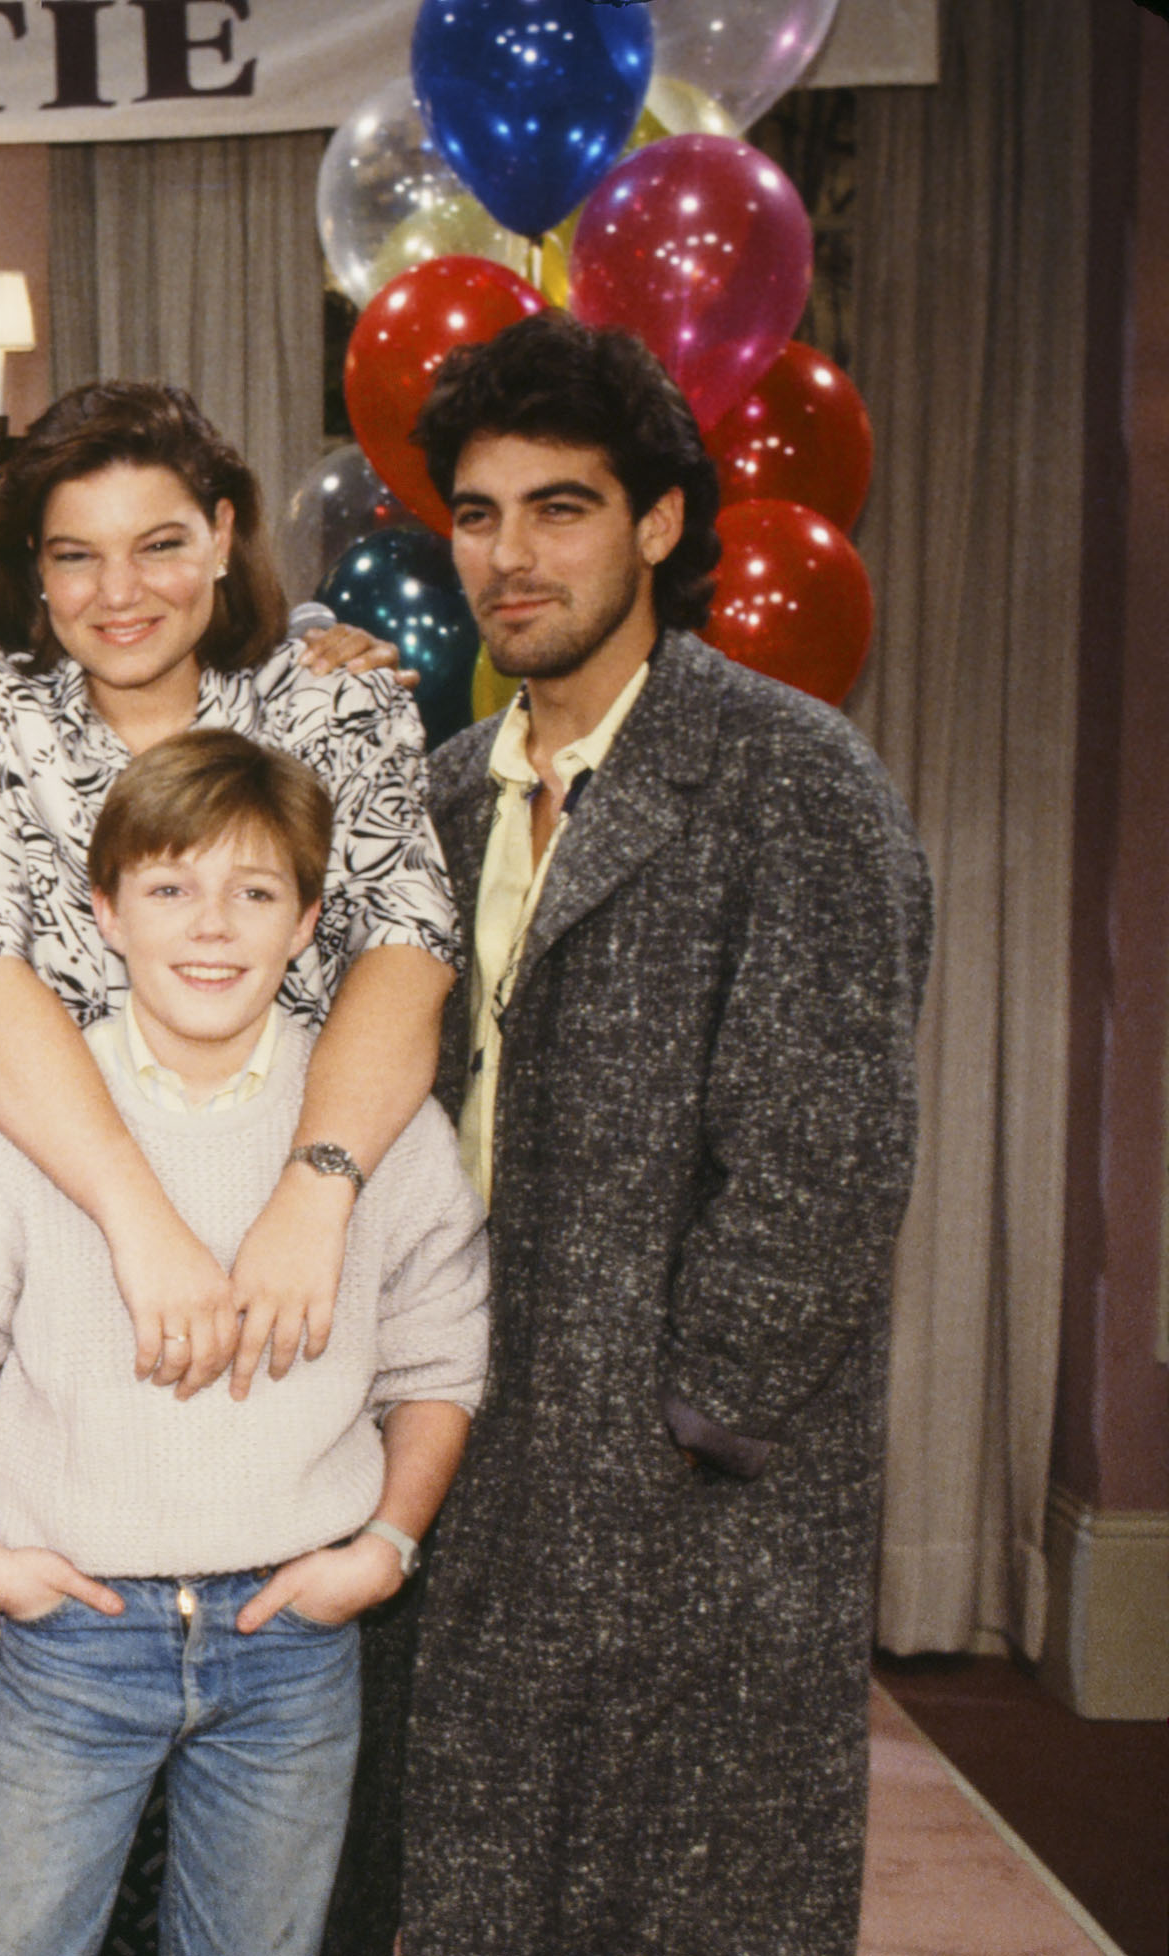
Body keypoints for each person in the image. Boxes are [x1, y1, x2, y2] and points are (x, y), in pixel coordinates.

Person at [0, 379, 462, 1951]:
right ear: (31, 573)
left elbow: (406, 954)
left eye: (156, 543)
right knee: (25, 1883)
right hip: (70, 1314)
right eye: (72, 557)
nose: (117, 590)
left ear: (226, 537)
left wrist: (312, 1194)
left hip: (287, 1332)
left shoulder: (336, 701)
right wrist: (141, 1224)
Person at [395, 311, 931, 1955]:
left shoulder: (794, 779)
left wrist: (691, 1420)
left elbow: (822, 1173)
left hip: (695, 1505)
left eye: (560, 507)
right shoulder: (445, 792)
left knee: (689, 1913)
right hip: (466, 1461)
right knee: (476, 1906)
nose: (510, 556)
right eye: (478, 514)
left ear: (661, 521)